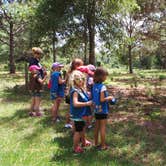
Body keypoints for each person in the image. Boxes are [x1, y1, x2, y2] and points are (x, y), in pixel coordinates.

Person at [69, 70, 92, 153]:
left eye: (82, 79)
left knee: (82, 129)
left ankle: (83, 142)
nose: (80, 80)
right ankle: (75, 148)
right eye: (78, 79)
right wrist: (87, 103)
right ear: (74, 80)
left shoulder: (80, 89)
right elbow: (75, 104)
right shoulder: (75, 91)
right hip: (78, 115)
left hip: (82, 114)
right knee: (78, 131)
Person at [92, 67, 114, 150]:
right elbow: (102, 99)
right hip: (103, 110)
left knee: (96, 126)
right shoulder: (103, 86)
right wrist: (109, 98)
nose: (106, 77)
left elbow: (95, 97)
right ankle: (103, 145)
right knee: (102, 127)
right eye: (105, 76)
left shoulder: (94, 86)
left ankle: (95, 143)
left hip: (96, 109)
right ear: (101, 76)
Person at [64, 58, 84, 128]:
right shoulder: (76, 73)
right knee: (72, 110)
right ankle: (72, 124)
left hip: (69, 92)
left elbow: (66, 82)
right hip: (73, 93)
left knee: (69, 109)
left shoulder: (69, 72)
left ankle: (68, 123)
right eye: (81, 65)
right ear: (76, 65)